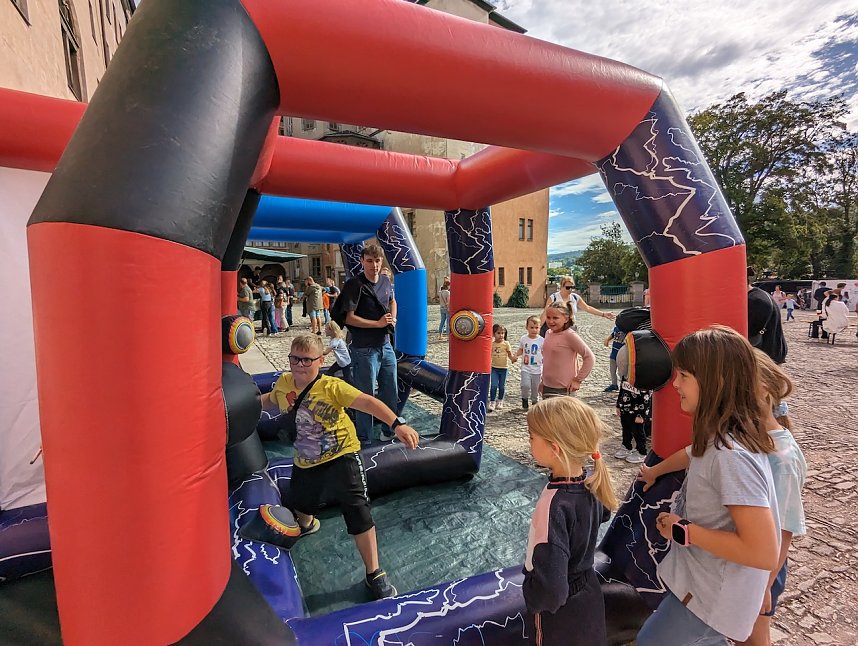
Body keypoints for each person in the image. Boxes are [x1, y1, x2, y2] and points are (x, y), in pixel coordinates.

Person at [635, 326, 780, 646]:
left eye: (684, 375)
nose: (675, 384)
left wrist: (682, 530)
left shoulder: (731, 456)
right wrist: (656, 470)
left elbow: (763, 551)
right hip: (704, 593)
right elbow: (694, 454)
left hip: (711, 601)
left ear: (717, 381)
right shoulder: (722, 438)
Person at [260, 334, 419, 599]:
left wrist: (397, 423)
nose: (299, 365)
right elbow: (268, 399)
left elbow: (368, 402)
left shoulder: (332, 387)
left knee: (357, 510)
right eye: (294, 358)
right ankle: (307, 523)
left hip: (342, 454)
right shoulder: (285, 383)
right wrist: (239, 406)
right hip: (306, 460)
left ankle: (374, 573)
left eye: (306, 360)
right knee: (302, 503)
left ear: (321, 361)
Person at [522, 397, 617, 645]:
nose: (528, 442)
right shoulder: (591, 485)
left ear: (555, 448)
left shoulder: (553, 505)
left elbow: (552, 590)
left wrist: (531, 595)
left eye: (532, 438)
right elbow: (603, 515)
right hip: (589, 595)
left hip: (561, 617)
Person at [737, 350, 806, 646]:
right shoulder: (749, 438)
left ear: (761, 390)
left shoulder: (782, 458)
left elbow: (785, 529)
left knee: (754, 637)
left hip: (764, 570)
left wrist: (764, 584)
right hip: (745, 562)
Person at [339, 244, 398, 444]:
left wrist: (393, 318)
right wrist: (378, 323)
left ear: (382, 262)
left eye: (378, 260)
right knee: (365, 395)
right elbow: (348, 318)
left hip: (386, 345)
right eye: (370, 261)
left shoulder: (385, 280)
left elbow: (392, 301)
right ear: (362, 261)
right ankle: (364, 438)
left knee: (390, 391)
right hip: (364, 349)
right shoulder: (354, 285)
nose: (374, 265)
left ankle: (388, 431)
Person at [540, 301, 595, 398]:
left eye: (555, 318)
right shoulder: (548, 333)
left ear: (566, 318)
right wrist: (543, 381)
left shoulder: (570, 335)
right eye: (548, 317)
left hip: (564, 389)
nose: (551, 321)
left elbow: (589, 357)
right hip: (547, 387)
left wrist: (578, 380)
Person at [539, 276, 614, 337]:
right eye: (568, 287)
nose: (570, 290)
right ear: (561, 286)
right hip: (555, 328)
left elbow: (587, 308)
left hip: (570, 327)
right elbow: (545, 313)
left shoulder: (575, 297)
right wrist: (538, 328)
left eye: (572, 287)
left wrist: (603, 314)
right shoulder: (554, 297)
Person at [613, 359, 651, 465]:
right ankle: (626, 446)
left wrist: (641, 414)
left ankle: (641, 451)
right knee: (626, 429)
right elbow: (622, 391)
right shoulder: (625, 377)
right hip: (625, 410)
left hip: (637, 412)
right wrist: (618, 405)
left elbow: (646, 398)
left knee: (638, 432)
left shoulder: (643, 380)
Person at [747, 267, 787, 364]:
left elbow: (749, 333)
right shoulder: (757, 296)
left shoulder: (755, 300)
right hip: (767, 355)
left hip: (765, 357)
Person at [515, 316, 544, 410]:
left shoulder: (542, 340)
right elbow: (521, 349)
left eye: (537, 328)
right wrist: (516, 355)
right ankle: (524, 398)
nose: (534, 330)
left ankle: (535, 400)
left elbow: (545, 352)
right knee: (525, 385)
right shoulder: (524, 339)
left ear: (540, 328)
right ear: (527, 327)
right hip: (526, 368)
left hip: (537, 369)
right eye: (531, 327)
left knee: (536, 387)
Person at [489, 323, 516, 411]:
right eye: (498, 333)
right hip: (494, 368)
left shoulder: (506, 344)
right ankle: (492, 401)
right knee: (493, 385)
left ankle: (500, 400)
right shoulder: (492, 345)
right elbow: (488, 355)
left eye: (503, 333)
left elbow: (509, 354)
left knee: (501, 386)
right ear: (493, 334)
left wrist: (512, 358)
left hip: (504, 368)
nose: (501, 335)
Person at [602, 325, 625, 392]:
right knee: (612, 370)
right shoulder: (616, 328)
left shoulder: (627, 329)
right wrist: (607, 340)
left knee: (622, 372)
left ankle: (623, 386)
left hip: (621, 355)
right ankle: (614, 384)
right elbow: (613, 334)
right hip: (614, 353)